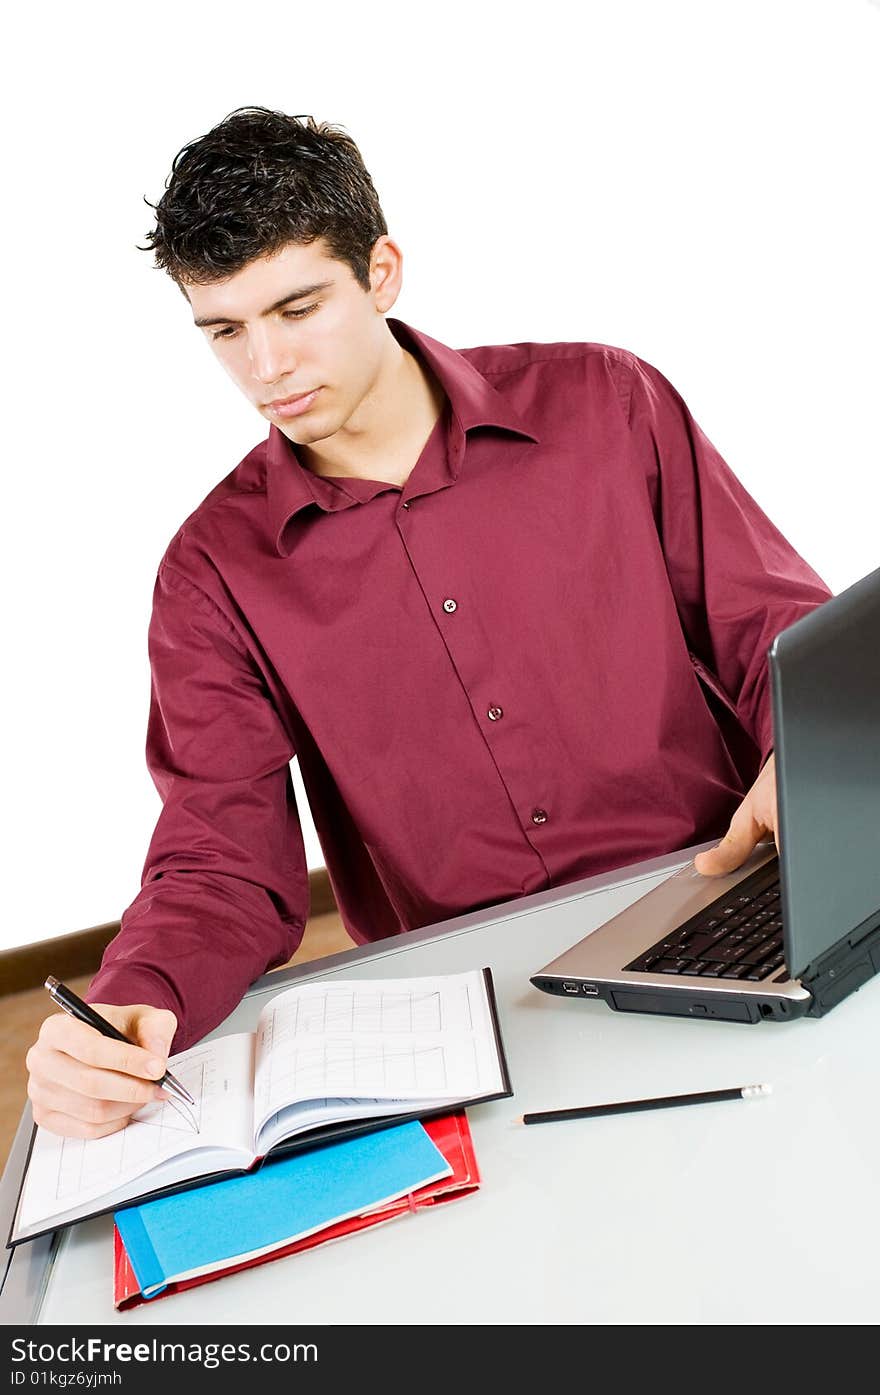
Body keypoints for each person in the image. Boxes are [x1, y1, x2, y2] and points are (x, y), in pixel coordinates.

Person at [25, 106, 831, 1139]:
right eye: (224, 331)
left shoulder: (603, 403)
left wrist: (803, 763)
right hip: (467, 1008)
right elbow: (222, 857)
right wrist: (140, 994)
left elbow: (774, 634)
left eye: (298, 307)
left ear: (383, 271)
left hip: (713, 893)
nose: (264, 367)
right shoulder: (210, 573)